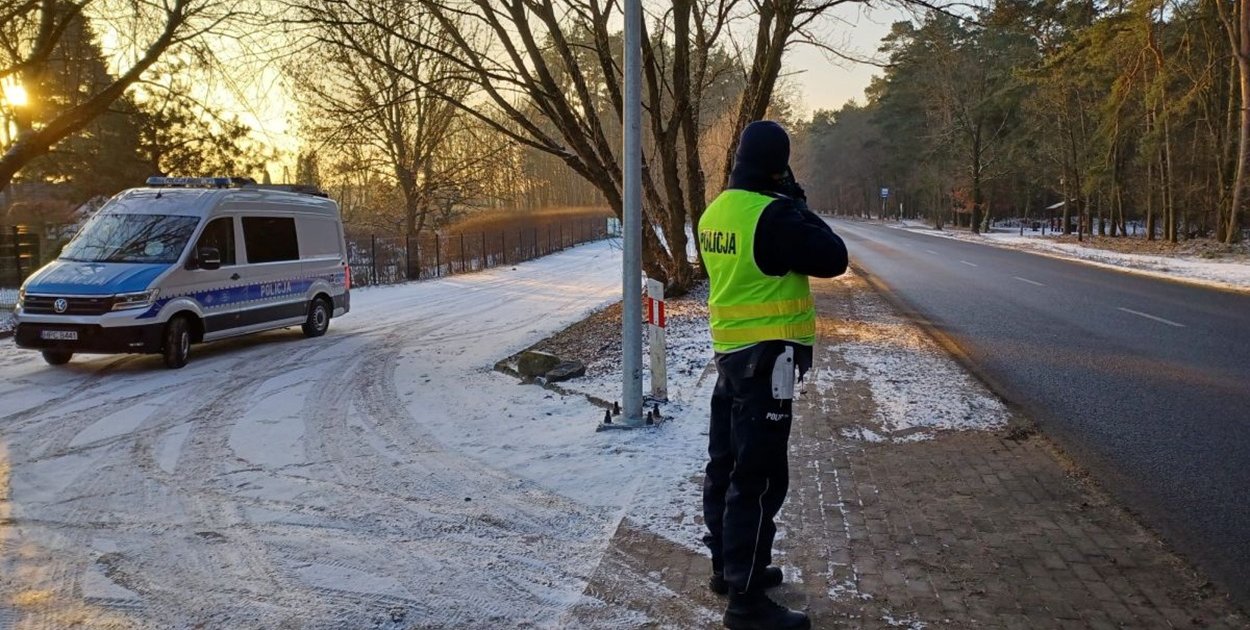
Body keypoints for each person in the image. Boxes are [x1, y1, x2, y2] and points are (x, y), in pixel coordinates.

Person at [698, 120, 848, 630]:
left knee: (726, 462)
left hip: (731, 355)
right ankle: (746, 604)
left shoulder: (716, 211)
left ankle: (728, 567)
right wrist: (799, 202)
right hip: (769, 362)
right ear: (778, 166)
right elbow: (834, 258)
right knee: (759, 478)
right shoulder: (775, 215)